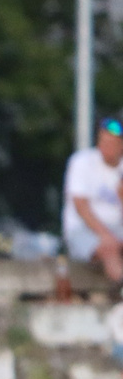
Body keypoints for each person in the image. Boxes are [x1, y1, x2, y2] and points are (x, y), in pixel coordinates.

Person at [60, 117, 123, 288]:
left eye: (111, 143)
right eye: (103, 141)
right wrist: (106, 235)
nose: (105, 146)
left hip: (116, 229)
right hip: (82, 229)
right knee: (109, 247)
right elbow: (81, 206)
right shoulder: (82, 162)